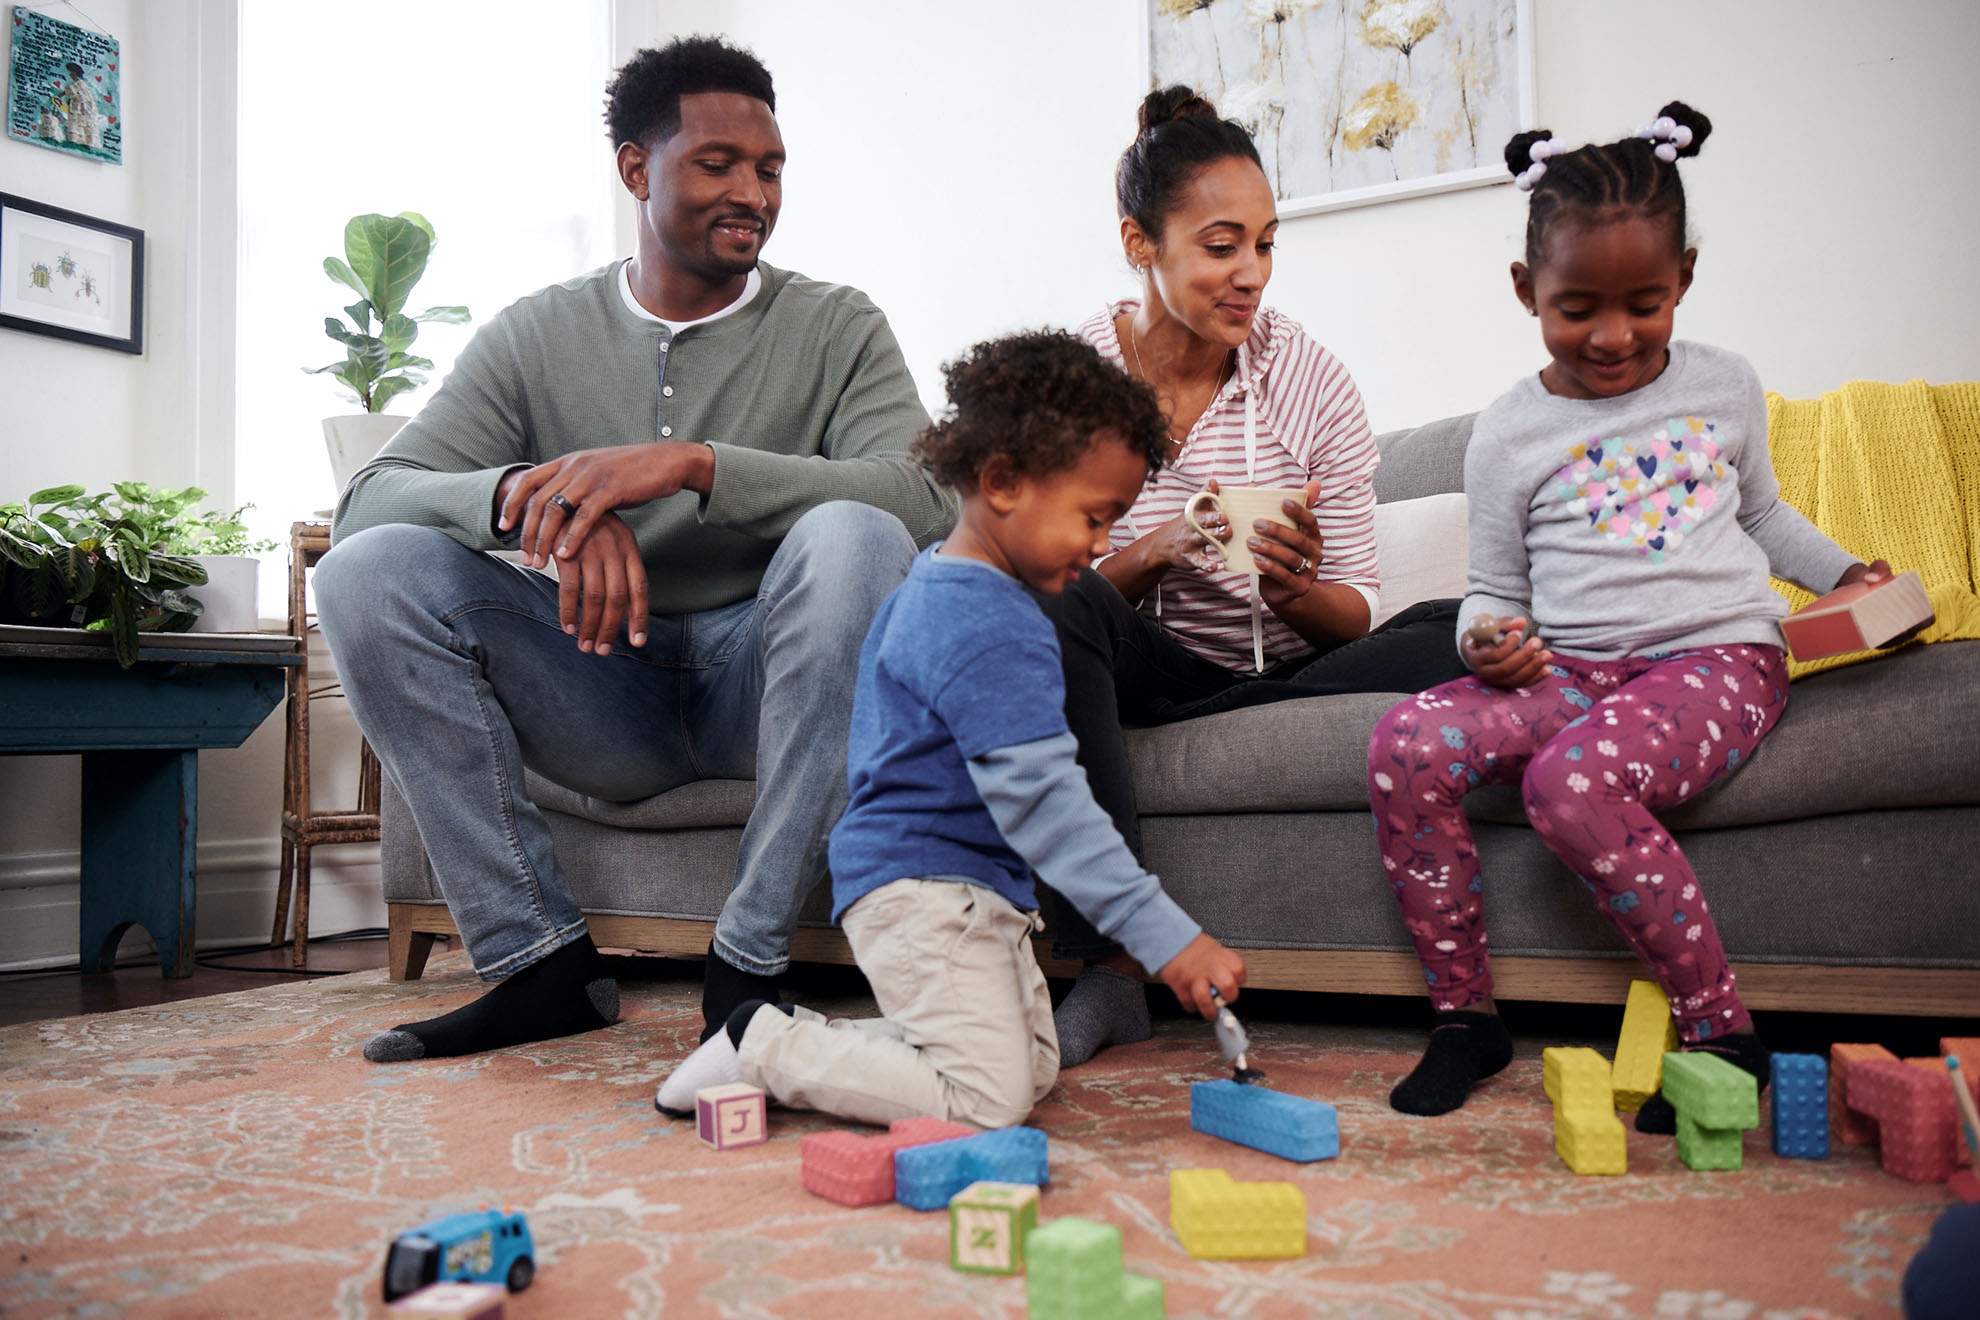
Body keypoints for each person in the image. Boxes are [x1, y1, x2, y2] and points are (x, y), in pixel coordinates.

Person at [315, 36, 952, 1063]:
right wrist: (542, 500)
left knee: (855, 533)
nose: (752, 191)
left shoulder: (836, 325)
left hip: (765, 684)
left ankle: (746, 969)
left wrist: (694, 465)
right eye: (718, 164)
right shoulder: (537, 335)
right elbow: (366, 501)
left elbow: (924, 495)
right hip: (600, 681)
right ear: (635, 169)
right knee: (364, 574)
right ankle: (537, 964)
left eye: (771, 168)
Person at [1368, 103, 1904, 1122]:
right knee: (1404, 742)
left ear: (1685, 281)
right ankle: (1465, 1020)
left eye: (1644, 304)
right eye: (1577, 309)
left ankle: (1722, 1033)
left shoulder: (1724, 385)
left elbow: (1763, 516)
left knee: (1571, 785)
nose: (1612, 336)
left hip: (1715, 663)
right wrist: (1488, 638)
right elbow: (1492, 588)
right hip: (1569, 670)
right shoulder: (1508, 431)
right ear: (1527, 292)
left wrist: (1846, 579)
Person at [653, 331, 1247, 1127]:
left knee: (1031, 1071)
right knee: (988, 1102)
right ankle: (759, 1043)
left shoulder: (956, 584)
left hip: (978, 894)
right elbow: (1049, 808)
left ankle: (827, 1038)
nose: (1105, 545)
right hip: (922, 894)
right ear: (1002, 481)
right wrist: (1166, 937)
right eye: (1093, 517)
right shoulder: (981, 621)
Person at [1041, 87, 1469, 1066]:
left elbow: (1356, 615)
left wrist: (1292, 589)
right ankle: (1109, 969)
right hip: (1137, 670)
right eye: (1222, 245)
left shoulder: (1309, 378)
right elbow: (1036, 586)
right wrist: (1151, 554)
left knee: (1461, 624)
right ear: (1140, 244)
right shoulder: (1071, 377)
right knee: (1050, 604)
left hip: (1283, 672)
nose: (1252, 276)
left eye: (1267, 245)